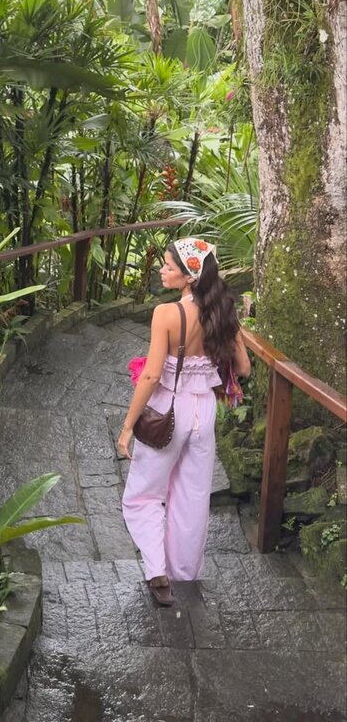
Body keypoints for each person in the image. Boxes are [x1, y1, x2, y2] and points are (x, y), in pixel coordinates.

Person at [117, 238, 251, 606]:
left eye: (169, 266)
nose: (162, 270)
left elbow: (151, 376)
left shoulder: (166, 314)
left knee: (142, 496)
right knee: (191, 500)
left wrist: (127, 427)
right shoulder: (223, 313)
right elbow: (243, 368)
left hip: (169, 409)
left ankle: (157, 571)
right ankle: (185, 577)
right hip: (203, 413)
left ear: (190, 276)